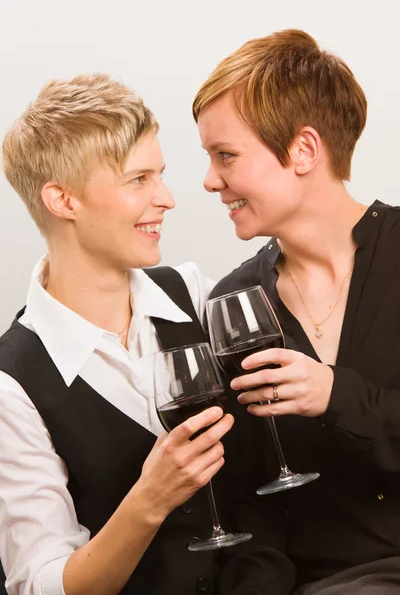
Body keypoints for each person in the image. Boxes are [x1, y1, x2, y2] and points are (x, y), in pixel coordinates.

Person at [0, 73, 236, 595]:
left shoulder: (194, 295)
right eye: (139, 180)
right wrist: (149, 500)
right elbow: (42, 585)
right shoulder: (11, 384)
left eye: (161, 175)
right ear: (63, 200)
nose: (168, 198)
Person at [193, 29, 400, 594]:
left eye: (226, 155)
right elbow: (250, 507)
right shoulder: (232, 305)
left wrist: (336, 396)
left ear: (303, 150)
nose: (210, 180)